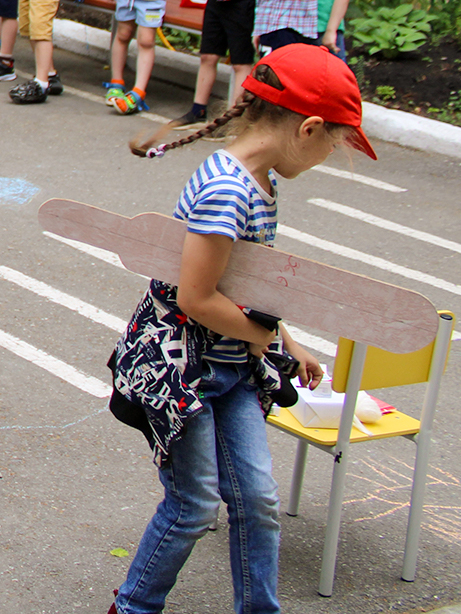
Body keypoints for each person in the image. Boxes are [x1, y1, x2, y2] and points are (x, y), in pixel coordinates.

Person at [113, 45, 366, 614]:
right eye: (334, 144)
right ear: (308, 128)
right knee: (194, 505)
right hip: (183, 369)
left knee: (257, 501)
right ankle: (131, 608)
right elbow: (196, 297)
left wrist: (286, 340)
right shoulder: (228, 190)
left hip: (230, 366)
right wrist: (271, 339)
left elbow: (243, 287)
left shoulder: (257, 181)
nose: (329, 156)